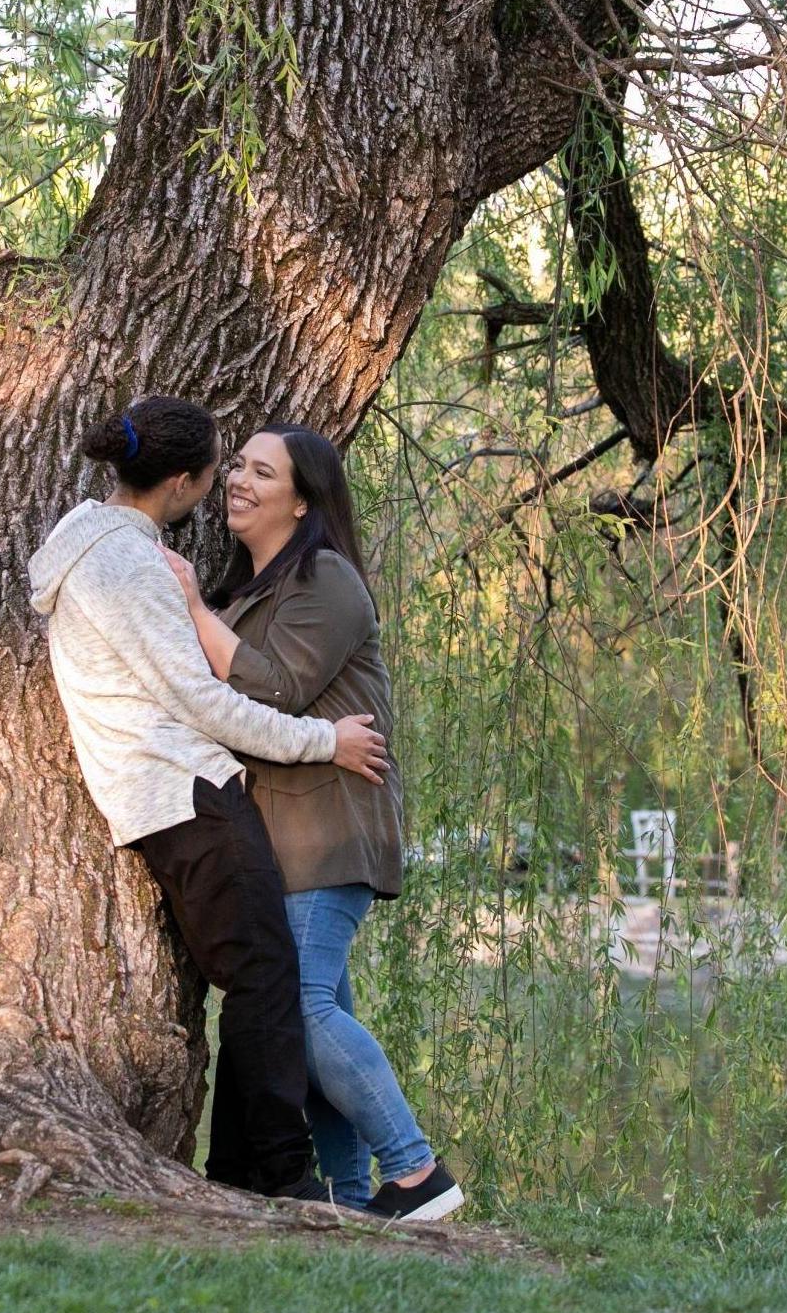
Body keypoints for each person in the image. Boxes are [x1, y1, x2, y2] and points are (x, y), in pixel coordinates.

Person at [27, 396, 388, 1201]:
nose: (227, 481)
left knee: (260, 979)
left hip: (153, 791)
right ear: (182, 482)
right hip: (188, 790)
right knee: (267, 977)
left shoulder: (82, 545)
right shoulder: (130, 563)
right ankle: (273, 1174)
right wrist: (324, 741)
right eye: (223, 467)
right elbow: (205, 704)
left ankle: (255, 1170)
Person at [163, 424, 464, 1222]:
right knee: (314, 1012)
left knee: (300, 1009)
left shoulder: (326, 579)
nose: (238, 480)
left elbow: (278, 685)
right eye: (237, 466)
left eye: (262, 472)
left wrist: (191, 607)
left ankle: (416, 1170)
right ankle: (348, 1190)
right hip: (277, 837)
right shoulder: (244, 595)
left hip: (327, 833)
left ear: (301, 500)